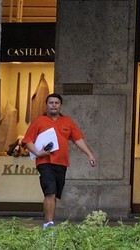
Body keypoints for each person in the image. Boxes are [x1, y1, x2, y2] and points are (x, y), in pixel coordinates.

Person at [22, 93, 97, 228]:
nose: (54, 105)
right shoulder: (39, 121)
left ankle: (49, 221)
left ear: (60, 105)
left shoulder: (67, 121)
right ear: (46, 105)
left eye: (56, 103)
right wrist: (38, 153)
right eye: (51, 103)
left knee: (54, 193)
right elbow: (27, 141)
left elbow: (77, 139)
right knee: (49, 191)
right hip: (45, 162)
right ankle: (48, 223)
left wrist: (89, 154)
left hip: (61, 163)